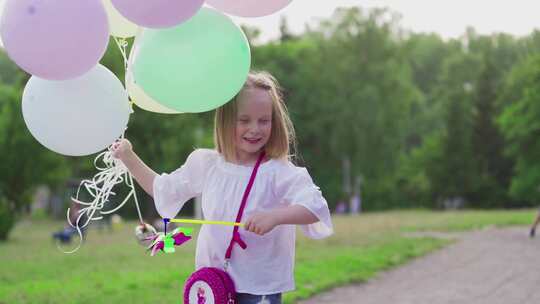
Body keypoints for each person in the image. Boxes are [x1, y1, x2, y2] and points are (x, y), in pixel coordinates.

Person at [111, 71, 333, 304]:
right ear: (226, 120)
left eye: (264, 120)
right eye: (244, 120)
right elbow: (163, 189)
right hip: (212, 285)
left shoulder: (278, 171)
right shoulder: (206, 164)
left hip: (258, 289)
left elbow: (315, 207)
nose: (255, 129)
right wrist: (128, 156)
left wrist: (276, 217)